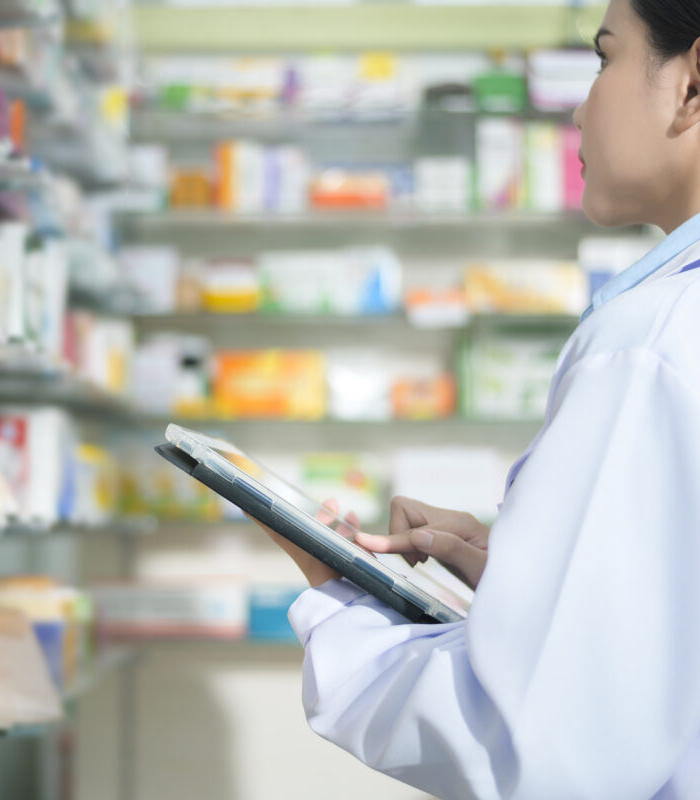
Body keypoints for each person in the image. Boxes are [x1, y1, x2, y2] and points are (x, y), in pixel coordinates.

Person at [258, 1, 700, 797]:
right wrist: (534, 590)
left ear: (692, 83)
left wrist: (346, 607)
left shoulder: (651, 340)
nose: (580, 104)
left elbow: (542, 751)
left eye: (604, 59)